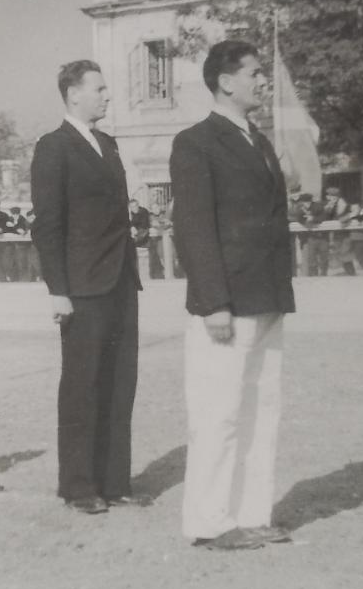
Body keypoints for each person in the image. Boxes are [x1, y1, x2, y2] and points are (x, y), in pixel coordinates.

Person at [169, 40, 295, 551]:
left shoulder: (258, 141)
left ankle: (252, 514)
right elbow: (194, 228)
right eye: (255, 73)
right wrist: (214, 300)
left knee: (263, 412)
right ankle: (209, 522)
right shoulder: (196, 142)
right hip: (226, 303)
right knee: (218, 413)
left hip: (266, 295)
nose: (263, 81)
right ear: (226, 81)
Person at [30, 60, 144, 515]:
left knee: (120, 381)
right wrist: (58, 288)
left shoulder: (108, 144)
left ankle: (115, 482)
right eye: (99, 88)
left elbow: (116, 209)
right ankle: (78, 486)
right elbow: (48, 224)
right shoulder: (53, 147)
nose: (107, 96)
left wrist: (139, 227)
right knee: (82, 384)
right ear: (73, 94)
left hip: (120, 279)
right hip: (82, 286)